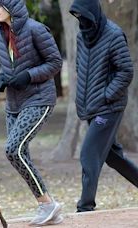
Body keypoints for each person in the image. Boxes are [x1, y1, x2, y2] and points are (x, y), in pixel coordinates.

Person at [0, 0, 63, 226]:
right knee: (18, 155)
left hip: (39, 99)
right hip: (13, 104)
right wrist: (2, 79)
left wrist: (28, 76)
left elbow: (55, 62)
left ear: (11, 6)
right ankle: (50, 210)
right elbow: (5, 66)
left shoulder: (36, 29)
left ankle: (47, 204)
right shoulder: (0, 32)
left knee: (14, 149)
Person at [69, 0, 138, 212]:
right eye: (78, 17)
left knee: (89, 153)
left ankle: (85, 206)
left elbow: (125, 71)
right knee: (112, 157)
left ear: (93, 14)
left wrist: (106, 96)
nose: (81, 21)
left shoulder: (114, 34)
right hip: (91, 107)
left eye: (84, 16)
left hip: (109, 107)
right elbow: (81, 68)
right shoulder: (81, 37)